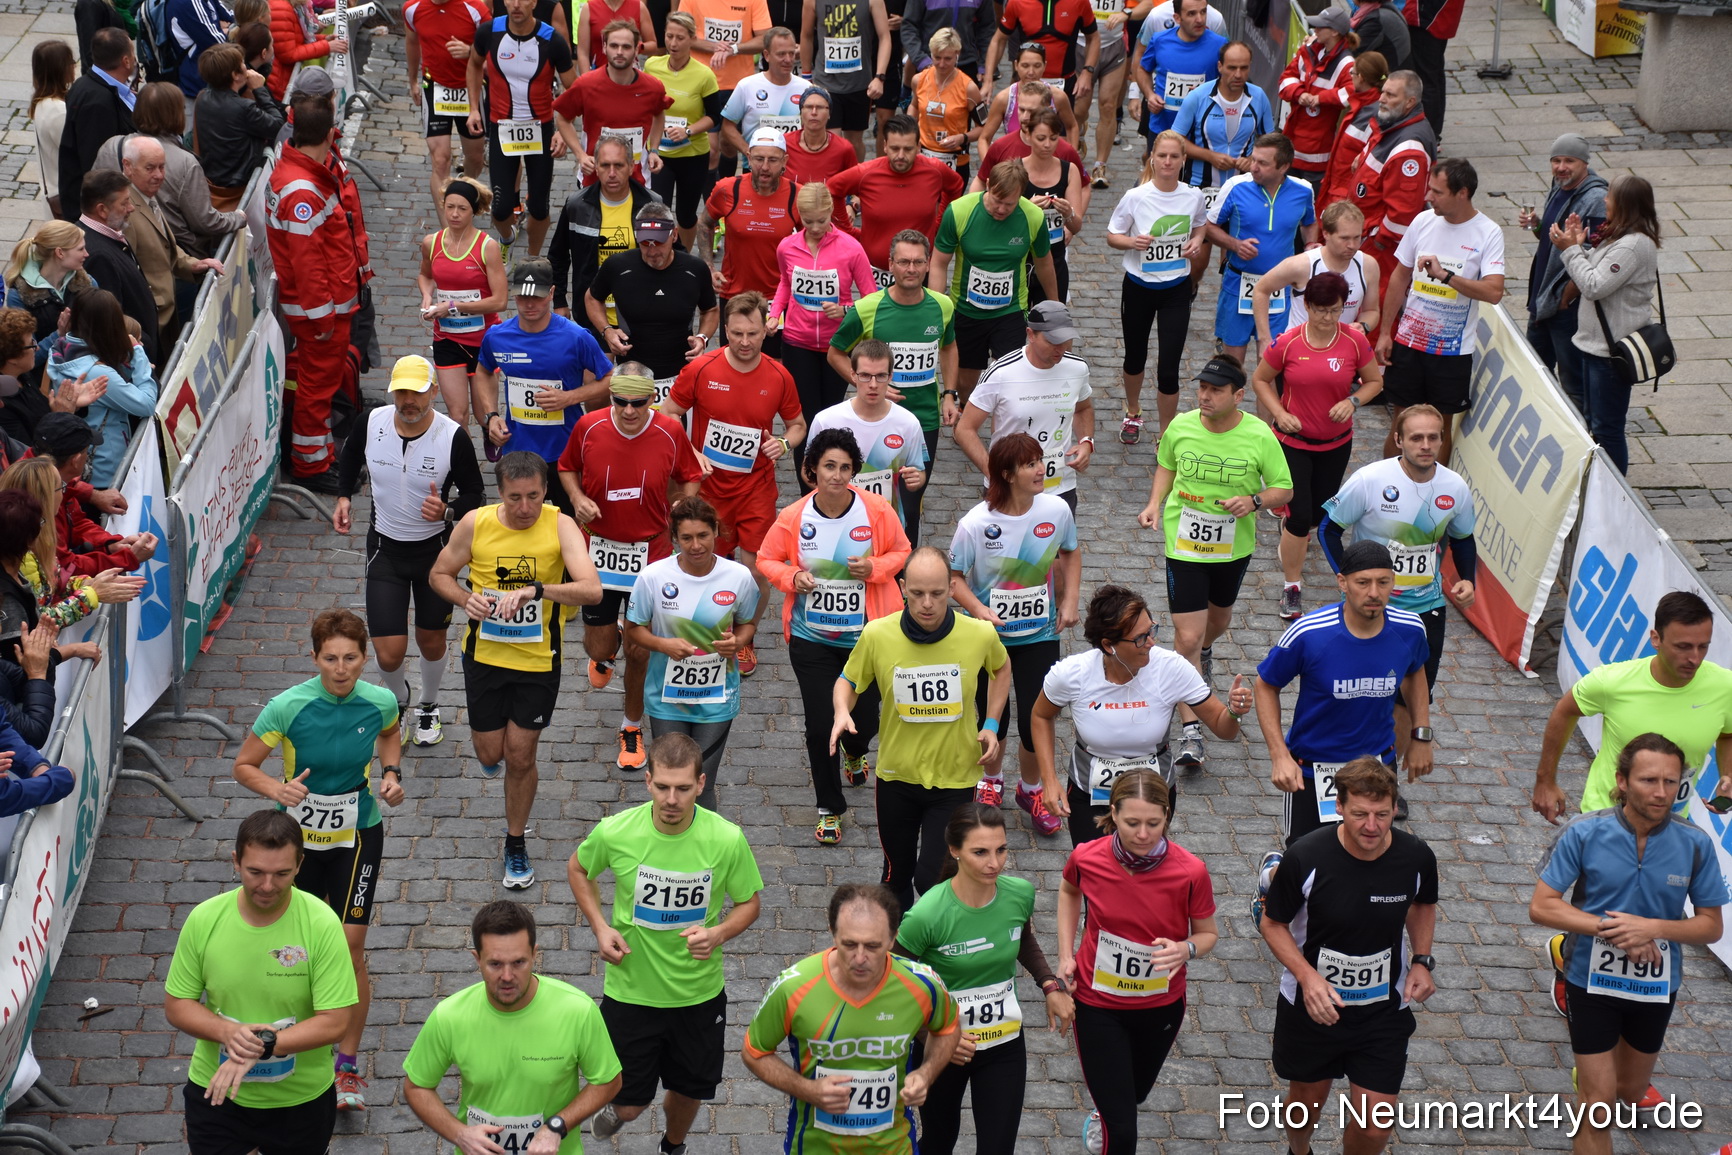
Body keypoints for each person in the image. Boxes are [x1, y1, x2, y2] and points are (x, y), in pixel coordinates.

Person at [229, 610, 401, 1113]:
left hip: (358, 828)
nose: (341, 669)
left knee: (349, 945)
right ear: (314, 657)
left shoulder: (381, 700)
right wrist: (276, 788)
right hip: (295, 839)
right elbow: (243, 766)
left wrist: (389, 773)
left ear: (365, 658)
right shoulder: (288, 706)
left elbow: (390, 734)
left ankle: (345, 1066)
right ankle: (298, 1040)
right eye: (331, 658)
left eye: (351, 658)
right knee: (294, 944)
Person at [1530, 733, 1728, 1155]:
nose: (1661, 793)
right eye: (1648, 780)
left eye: (1671, 783)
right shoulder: (1584, 832)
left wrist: (1653, 927)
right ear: (1622, 780)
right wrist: (1613, 930)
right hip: (1590, 979)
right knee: (1597, 1102)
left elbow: (1711, 926)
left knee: (1629, 1091)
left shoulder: (1694, 843)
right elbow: (1543, 907)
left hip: (1656, 985)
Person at [567, 731, 763, 1148]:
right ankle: (621, 1110)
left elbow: (749, 903)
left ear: (701, 784)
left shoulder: (727, 839)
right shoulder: (616, 832)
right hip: (631, 993)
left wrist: (718, 933)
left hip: (698, 994)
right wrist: (601, 927)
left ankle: (673, 1145)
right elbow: (579, 870)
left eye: (683, 789)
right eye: (663, 787)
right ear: (648, 781)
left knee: (690, 1089)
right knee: (630, 1104)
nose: (672, 799)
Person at [429, 451, 603, 888]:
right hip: (484, 658)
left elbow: (592, 590)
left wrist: (538, 590)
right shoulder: (475, 523)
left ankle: (515, 843)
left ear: (546, 491)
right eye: (514, 498)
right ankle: (495, 760)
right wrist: (462, 598)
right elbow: (439, 574)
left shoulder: (561, 524)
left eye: (533, 497)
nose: (524, 508)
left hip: (538, 661)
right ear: (499, 495)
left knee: (521, 756)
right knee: (492, 755)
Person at [1259, 757, 1439, 1155]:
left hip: (1381, 1011)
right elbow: (1272, 925)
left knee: (1375, 1128)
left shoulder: (1416, 857)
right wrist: (1308, 978)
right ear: (1338, 807)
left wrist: (1422, 960)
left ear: (1395, 807)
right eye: (1359, 814)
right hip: (1312, 1008)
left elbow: (1423, 904)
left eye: (1381, 814)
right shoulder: (1307, 857)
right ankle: (1298, 1151)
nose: (1371, 826)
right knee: (1304, 1108)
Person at [163, 810, 359, 1155]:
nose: (267, 886)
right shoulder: (205, 919)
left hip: (300, 1102)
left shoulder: (322, 924)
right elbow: (178, 1005)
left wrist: (264, 1045)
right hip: (217, 1093)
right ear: (236, 861)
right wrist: (228, 1034)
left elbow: (336, 1022)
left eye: (282, 873)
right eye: (255, 872)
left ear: (300, 865)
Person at [1136, 355, 1291, 768]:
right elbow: (1166, 465)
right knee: (1185, 637)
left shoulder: (1259, 435)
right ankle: (1191, 732)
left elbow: (1284, 488)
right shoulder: (1182, 427)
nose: (1205, 396)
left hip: (1232, 548)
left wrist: (1254, 500)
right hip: (1184, 542)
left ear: (1238, 396)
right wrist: (1155, 503)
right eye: (1202, 388)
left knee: (1216, 622)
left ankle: (1204, 650)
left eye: (1216, 390)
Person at [759, 427, 911, 843]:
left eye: (846, 468)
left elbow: (902, 550)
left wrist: (876, 569)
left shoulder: (877, 510)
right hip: (813, 641)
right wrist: (793, 576)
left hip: (869, 640)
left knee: (866, 717)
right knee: (819, 722)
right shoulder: (793, 517)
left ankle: (856, 750)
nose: (838, 475)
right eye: (829, 466)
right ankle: (829, 806)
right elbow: (766, 559)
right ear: (812, 471)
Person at [833, 546, 1008, 907]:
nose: (927, 603)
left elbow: (1002, 669)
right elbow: (847, 681)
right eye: (917, 593)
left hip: (956, 777)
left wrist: (991, 723)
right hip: (897, 776)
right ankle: (901, 954)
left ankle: (934, 948)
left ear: (952, 589)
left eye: (937, 593)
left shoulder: (979, 634)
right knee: (896, 875)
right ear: (901, 588)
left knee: (932, 877)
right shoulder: (877, 635)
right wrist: (840, 711)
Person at [896, 804, 1074, 1155]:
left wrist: (1049, 984)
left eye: (1001, 850)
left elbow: (1020, 937)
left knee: (998, 1147)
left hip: (1004, 1042)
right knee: (938, 1141)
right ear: (954, 850)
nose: (994, 863)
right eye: (980, 852)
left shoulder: (1019, 894)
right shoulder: (927, 914)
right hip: (944, 1050)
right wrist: (930, 1033)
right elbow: (894, 983)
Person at [1057, 770, 1217, 1155]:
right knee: (1122, 1131)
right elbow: (1068, 890)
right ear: (1113, 813)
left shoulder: (1190, 871)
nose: (1143, 834)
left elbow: (1207, 934)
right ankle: (1109, 1119)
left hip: (1160, 1004)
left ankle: (1110, 1109)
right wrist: (1066, 954)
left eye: (1153, 823)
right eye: (1132, 823)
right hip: (1097, 1003)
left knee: (1135, 1092)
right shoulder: (1087, 856)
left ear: (1167, 817)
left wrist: (1186, 950)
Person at [334, 355, 485, 745]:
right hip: (385, 550)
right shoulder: (372, 422)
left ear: (433, 391)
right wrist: (343, 498)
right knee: (388, 653)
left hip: (436, 555)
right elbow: (349, 459)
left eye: (417, 392)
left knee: (430, 641)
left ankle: (429, 706)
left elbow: (476, 495)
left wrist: (448, 510)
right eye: (401, 392)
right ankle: (398, 701)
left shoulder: (453, 437)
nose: (408, 401)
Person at [742, 883, 961, 1152]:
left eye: (872, 946)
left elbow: (948, 1028)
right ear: (833, 934)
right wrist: (807, 1090)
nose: (860, 958)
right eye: (849, 944)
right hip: (814, 1147)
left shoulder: (923, 984)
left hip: (893, 1147)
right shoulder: (793, 987)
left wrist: (926, 1075)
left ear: (893, 939)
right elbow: (754, 1052)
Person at [556, 367, 703, 764]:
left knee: (640, 653)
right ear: (612, 398)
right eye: (621, 401)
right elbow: (566, 466)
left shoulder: (671, 432)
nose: (629, 411)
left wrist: (681, 507)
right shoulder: (588, 426)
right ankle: (609, 643)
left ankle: (631, 726)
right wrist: (576, 498)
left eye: (639, 402)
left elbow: (690, 476)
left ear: (651, 400)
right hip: (599, 554)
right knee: (597, 645)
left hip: (650, 556)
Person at [1252, 540, 1433, 859]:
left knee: (1371, 854)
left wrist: (1421, 735)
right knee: (1304, 860)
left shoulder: (1410, 630)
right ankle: (1272, 881)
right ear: (1342, 582)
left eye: (1383, 582)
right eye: (1363, 583)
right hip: (1312, 769)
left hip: (1377, 765)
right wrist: (1280, 755)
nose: (1374, 593)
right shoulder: (1310, 634)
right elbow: (1266, 685)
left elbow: (1414, 672)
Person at [1032, 584, 1248, 844]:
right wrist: (1049, 779)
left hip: (1153, 797)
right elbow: (1041, 716)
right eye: (1141, 638)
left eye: (1151, 630)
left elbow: (1223, 727)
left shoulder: (1172, 668)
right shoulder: (1072, 674)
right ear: (1109, 645)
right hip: (1091, 794)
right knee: (1095, 877)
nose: (1152, 642)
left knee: (1144, 875)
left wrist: (1234, 712)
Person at [661, 292, 806, 676]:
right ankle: (708, 625)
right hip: (708, 487)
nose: (745, 342)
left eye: (753, 334)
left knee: (758, 568)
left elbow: (797, 425)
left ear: (765, 332)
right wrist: (691, 454)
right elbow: (667, 413)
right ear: (725, 330)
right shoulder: (702, 369)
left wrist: (784, 443)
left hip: (757, 486)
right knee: (708, 561)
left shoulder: (779, 376)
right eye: (737, 333)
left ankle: (745, 635)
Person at [402, 900, 624, 1152]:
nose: (507, 977)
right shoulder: (450, 1016)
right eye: (495, 964)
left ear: (534, 954)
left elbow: (609, 1081)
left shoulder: (577, 1011)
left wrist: (557, 1126)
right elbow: (417, 1086)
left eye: (518, 963)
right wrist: (460, 1134)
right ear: (477, 959)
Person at [947, 433, 1077, 835]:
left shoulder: (1056, 510)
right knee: (993, 719)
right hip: (991, 639)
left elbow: (1071, 551)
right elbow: (954, 579)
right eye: (1030, 464)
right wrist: (980, 611)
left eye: (1040, 460)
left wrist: (1070, 599)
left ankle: (1031, 788)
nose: (1041, 469)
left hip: (1039, 633)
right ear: (1007, 474)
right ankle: (990, 780)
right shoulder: (975, 523)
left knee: (1037, 714)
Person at [1532, 590, 1732, 826]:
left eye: (1703, 647)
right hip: (1605, 822)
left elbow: (1727, 734)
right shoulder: (1613, 681)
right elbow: (1565, 710)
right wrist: (1545, 780)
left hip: (1673, 824)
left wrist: (1727, 776)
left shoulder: (1724, 687)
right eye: (1683, 647)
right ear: (1656, 639)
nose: (1695, 659)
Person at [1251, 273, 1383, 620]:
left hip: (1335, 444)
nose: (1327, 318)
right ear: (1306, 306)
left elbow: (1374, 382)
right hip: (1293, 442)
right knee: (1299, 516)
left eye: (1335, 311)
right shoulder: (1290, 342)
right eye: (1321, 310)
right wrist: (1279, 412)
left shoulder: (1354, 342)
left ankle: (1293, 536)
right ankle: (1291, 586)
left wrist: (1353, 402)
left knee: (1319, 516)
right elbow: (1260, 379)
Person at [623, 498, 762, 809]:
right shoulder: (653, 577)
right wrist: (664, 645)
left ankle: (704, 856)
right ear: (674, 538)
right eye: (686, 538)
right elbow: (633, 630)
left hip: (717, 697)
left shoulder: (738, 577)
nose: (696, 545)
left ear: (716, 532)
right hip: (666, 699)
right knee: (670, 782)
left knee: (702, 783)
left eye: (703, 535)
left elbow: (748, 625)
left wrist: (738, 643)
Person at [825, 230, 958, 546]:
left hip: (922, 421)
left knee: (909, 504)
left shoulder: (943, 306)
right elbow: (836, 352)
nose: (910, 269)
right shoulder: (867, 308)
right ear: (891, 265)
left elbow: (949, 348)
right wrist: (869, 384)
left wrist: (950, 393)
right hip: (871, 421)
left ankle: (901, 580)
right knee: (867, 498)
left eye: (917, 262)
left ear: (928, 265)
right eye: (903, 262)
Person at [1375, 156, 1504, 463]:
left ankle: (1432, 494)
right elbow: (1399, 276)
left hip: (1451, 351)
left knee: (1438, 429)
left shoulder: (1488, 232)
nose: (1428, 197)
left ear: (1463, 193)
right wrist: (1384, 333)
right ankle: (1387, 490)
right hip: (1409, 343)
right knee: (1401, 422)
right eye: (1429, 189)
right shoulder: (1423, 221)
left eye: (1437, 192)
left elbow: (1494, 292)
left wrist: (1446, 276)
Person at [266, 101, 358, 493]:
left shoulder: (300, 177)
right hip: (321, 313)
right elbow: (308, 266)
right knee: (316, 389)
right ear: (329, 134)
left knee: (317, 386)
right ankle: (311, 466)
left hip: (323, 308)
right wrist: (323, 319)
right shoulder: (302, 191)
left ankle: (318, 455)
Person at [1553, 173, 1660, 477]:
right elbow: (1600, 272)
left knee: (1607, 427)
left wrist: (1570, 250)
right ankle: (1602, 484)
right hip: (1595, 346)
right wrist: (1579, 246)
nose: (1605, 200)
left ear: (1624, 204)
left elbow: (1594, 286)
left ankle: (1616, 494)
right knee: (1594, 420)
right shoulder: (1620, 239)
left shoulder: (1631, 246)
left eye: (1611, 196)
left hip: (1610, 354)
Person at [478, 257, 615, 495]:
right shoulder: (497, 336)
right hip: (517, 450)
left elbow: (611, 379)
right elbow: (484, 370)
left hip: (565, 450)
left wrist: (571, 397)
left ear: (552, 292)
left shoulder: (576, 337)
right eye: (523, 296)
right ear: (513, 294)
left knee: (570, 523)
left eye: (537, 297)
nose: (529, 304)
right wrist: (491, 415)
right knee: (522, 522)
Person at [771, 182, 875, 482]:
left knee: (829, 418)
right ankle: (808, 488)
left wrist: (844, 310)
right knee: (803, 419)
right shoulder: (787, 247)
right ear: (798, 215)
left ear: (831, 211)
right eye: (807, 221)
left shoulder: (851, 248)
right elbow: (785, 284)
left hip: (837, 348)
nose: (815, 227)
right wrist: (774, 314)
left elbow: (871, 300)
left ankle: (833, 479)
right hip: (796, 343)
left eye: (821, 220)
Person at [1105, 130, 1204, 444]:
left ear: (1184, 160)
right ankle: (1133, 412)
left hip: (1176, 289)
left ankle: (1166, 432)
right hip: (1139, 287)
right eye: (1162, 155)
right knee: (1135, 357)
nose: (1168, 161)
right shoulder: (1137, 196)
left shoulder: (1193, 196)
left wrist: (1197, 242)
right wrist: (1132, 241)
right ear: (1153, 158)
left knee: (1169, 365)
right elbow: (1112, 235)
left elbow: (1201, 225)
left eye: (1175, 156)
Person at [930, 160, 1058, 400]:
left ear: (1022, 195)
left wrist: (1055, 304)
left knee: (1009, 377)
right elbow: (938, 263)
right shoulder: (959, 211)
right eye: (996, 200)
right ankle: (966, 414)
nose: (1001, 209)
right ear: (987, 184)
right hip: (966, 310)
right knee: (966, 380)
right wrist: (938, 308)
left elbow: (1045, 263)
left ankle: (1004, 432)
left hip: (1010, 310)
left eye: (1009, 204)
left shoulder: (1033, 216)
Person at [954, 299, 1094, 517]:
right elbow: (964, 429)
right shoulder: (1002, 372)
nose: (1061, 348)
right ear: (1031, 334)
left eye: (1065, 341)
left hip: (1059, 487)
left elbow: (1083, 408)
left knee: (1058, 551)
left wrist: (1086, 442)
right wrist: (993, 474)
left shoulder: (1077, 368)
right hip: (1010, 489)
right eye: (1052, 341)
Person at [466, 0, 577, 258]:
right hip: (502, 127)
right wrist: (473, 108)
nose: (516, 4)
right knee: (500, 209)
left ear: (534, 2)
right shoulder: (488, 32)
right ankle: (507, 237)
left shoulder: (552, 40)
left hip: (540, 129)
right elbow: (473, 64)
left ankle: (532, 258)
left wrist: (563, 129)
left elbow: (574, 90)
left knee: (539, 207)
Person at [584, 204, 719, 401]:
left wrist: (702, 338)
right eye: (645, 243)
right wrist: (607, 331)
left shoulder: (694, 269)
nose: (652, 251)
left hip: (679, 374)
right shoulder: (617, 266)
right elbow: (592, 298)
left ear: (674, 235)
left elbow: (711, 310)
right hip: (632, 375)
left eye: (659, 242)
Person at [99, 79, 244, 262]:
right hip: (176, 262)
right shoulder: (185, 162)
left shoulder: (111, 145)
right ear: (175, 115)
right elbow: (205, 222)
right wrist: (238, 218)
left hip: (123, 255)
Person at [1204, 132, 1317, 366]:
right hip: (1239, 284)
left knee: (1271, 365)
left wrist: (1309, 246)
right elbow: (1207, 226)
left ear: (1284, 166)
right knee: (1231, 366)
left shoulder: (1303, 190)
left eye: (1263, 163)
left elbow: (1310, 222)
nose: (1253, 167)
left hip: (1279, 288)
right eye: (1253, 159)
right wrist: (1234, 244)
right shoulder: (1235, 186)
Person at [1520, 133, 1607, 412]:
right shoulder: (1559, 187)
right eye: (1556, 161)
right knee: (1534, 369)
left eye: (1569, 160)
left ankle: (1584, 438)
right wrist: (1537, 225)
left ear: (1584, 163)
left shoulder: (1596, 200)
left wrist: (1566, 296)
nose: (1560, 167)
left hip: (1565, 306)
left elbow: (1596, 255)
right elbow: (1554, 240)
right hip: (1543, 299)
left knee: (1573, 383)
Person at [807, 339, 928, 534]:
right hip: (837, 524)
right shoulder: (826, 420)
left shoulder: (908, 423)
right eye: (865, 376)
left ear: (890, 376)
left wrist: (916, 480)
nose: (873, 385)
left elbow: (919, 472)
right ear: (853, 375)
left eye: (880, 376)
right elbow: (808, 471)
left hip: (886, 525)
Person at [825, 114, 964, 284]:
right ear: (884, 146)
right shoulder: (866, 173)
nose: (900, 155)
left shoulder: (934, 170)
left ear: (919, 147)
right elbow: (832, 190)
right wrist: (847, 232)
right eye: (894, 148)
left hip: (919, 273)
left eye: (908, 149)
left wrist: (939, 227)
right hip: (875, 275)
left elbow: (956, 187)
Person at [416, 177, 508, 433]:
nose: (454, 214)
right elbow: (425, 275)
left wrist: (452, 306)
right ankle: (465, 470)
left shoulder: (487, 248)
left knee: (484, 415)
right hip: (447, 338)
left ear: (474, 211)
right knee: (457, 415)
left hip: (482, 340)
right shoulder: (431, 243)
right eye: (450, 207)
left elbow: (500, 301)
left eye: (462, 209)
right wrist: (426, 296)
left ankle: (493, 439)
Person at [550, 134, 664, 341]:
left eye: (618, 166)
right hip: (592, 314)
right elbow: (558, 255)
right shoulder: (577, 204)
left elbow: (674, 254)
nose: (612, 173)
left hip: (642, 312)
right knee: (595, 374)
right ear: (596, 167)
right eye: (605, 165)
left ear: (631, 167)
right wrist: (559, 302)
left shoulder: (652, 205)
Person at [114, 134, 226, 342]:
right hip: (150, 323)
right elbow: (128, 274)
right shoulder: (125, 210)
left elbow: (164, 245)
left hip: (164, 316)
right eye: (150, 168)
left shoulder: (145, 193)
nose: (159, 175)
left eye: (162, 167)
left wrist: (193, 264)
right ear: (127, 166)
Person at [44, 289, 158, 490]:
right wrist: (138, 353)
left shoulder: (61, 348)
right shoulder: (98, 374)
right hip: (106, 473)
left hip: (83, 466)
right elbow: (147, 404)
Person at [1348, 70, 1435, 297]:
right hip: (1368, 238)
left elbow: (1402, 212)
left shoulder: (1410, 150)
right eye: (1383, 92)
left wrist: (1377, 243)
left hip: (1381, 249)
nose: (1382, 99)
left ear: (1410, 102)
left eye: (1391, 95)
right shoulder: (1391, 125)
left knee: (1375, 302)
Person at [554, 19, 670, 184]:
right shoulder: (586, 84)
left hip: (637, 179)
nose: (620, 52)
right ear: (604, 47)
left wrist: (654, 150)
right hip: (594, 178)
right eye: (614, 46)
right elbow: (563, 119)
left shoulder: (653, 87)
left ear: (637, 49)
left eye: (626, 47)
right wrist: (580, 155)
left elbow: (659, 113)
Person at [1251, 200, 1380, 346]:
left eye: (1357, 237)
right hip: (1298, 351)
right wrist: (1264, 338)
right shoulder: (1301, 265)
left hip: (1339, 353)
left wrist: (1363, 326)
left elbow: (1371, 310)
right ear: (1326, 234)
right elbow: (1261, 289)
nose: (1352, 245)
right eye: (1344, 238)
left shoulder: (1368, 265)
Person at [646, 13, 724, 251]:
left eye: (680, 38)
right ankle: (660, 255)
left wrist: (688, 131)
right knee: (659, 210)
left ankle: (685, 257)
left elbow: (714, 116)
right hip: (661, 154)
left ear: (691, 39)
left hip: (693, 155)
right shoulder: (651, 66)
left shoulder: (704, 75)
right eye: (669, 36)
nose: (673, 43)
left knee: (687, 214)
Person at [402, 0, 491, 208]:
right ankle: (449, 223)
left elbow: (498, 51)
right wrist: (413, 81)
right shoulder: (412, 9)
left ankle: (466, 195)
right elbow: (412, 42)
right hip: (435, 88)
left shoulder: (476, 9)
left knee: (475, 157)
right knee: (441, 159)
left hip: (471, 90)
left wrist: (470, 51)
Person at [700, 129, 801, 308]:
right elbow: (704, 223)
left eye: (773, 160)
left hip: (779, 297)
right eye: (759, 159)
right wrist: (708, 266)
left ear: (785, 160)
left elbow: (816, 239)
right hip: (734, 294)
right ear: (748, 157)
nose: (765, 167)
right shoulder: (728, 189)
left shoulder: (797, 195)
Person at [1169, 40, 1275, 211]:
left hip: (1245, 185)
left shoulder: (1259, 97)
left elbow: (1270, 141)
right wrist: (1210, 156)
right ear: (1220, 67)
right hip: (1200, 184)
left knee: (1239, 236)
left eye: (1244, 68)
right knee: (1203, 237)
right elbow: (1175, 140)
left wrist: (1252, 160)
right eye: (1232, 68)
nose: (1238, 74)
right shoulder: (1197, 97)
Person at [994, 109, 1084, 307]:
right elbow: (997, 218)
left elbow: (1076, 226)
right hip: (1018, 260)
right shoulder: (1015, 170)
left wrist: (1068, 213)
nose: (1047, 145)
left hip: (1054, 261)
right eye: (1041, 138)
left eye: (1053, 138)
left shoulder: (1069, 171)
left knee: (1050, 328)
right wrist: (1026, 209)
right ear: (1028, 135)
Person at [679, 0, 776, 179]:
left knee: (728, 145)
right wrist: (715, 47)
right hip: (703, 82)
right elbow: (682, 32)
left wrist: (734, 48)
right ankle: (712, 200)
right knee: (711, 150)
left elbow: (765, 39)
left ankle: (727, 191)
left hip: (737, 84)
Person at [78, 168, 162, 367]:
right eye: (124, 203)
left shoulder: (110, 236)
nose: (131, 208)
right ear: (102, 210)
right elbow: (113, 322)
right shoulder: (98, 256)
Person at [191, 41, 288, 205]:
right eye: (242, 64)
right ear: (235, 75)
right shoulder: (244, 108)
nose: (246, 67)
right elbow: (277, 126)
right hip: (239, 189)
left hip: (214, 182)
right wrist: (259, 89)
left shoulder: (202, 98)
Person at [59, 28, 137, 224]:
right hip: (100, 211)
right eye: (133, 54)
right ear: (126, 61)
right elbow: (98, 162)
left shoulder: (88, 84)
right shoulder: (98, 102)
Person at [801, 0, 891, 158]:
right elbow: (806, 35)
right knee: (830, 140)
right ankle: (831, 181)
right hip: (825, 83)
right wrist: (806, 77)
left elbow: (884, 37)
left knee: (854, 142)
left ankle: (854, 178)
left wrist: (879, 77)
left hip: (859, 83)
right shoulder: (812, 1)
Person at [1277, 9, 1357, 184]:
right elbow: (1285, 79)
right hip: (1292, 145)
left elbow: (1351, 94)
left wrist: (1319, 98)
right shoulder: (1308, 51)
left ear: (1335, 32)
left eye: (1321, 26)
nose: (1315, 29)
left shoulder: (1346, 64)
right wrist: (1299, 94)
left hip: (1316, 157)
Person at [1132, 0, 1223, 140]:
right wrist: (1150, 95)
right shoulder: (1159, 40)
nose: (1200, 19)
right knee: (1153, 160)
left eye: (1203, 12)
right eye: (1191, 14)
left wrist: (1208, 93)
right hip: (1163, 128)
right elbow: (1143, 69)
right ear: (1177, 18)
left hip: (1202, 132)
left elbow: (1228, 79)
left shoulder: (1220, 43)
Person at [983, 0, 1098, 111]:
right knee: (1023, 129)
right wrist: (988, 80)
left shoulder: (1079, 2)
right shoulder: (1017, 2)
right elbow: (998, 40)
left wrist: (1087, 72)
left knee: (1065, 128)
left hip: (1064, 84)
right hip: (1027, 83)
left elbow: (1093, 38)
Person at [976, 47, 1080, 155]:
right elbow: (984, 139)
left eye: (1037, 66)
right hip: (1016, 165)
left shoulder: (1058, 97)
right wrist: (990, 169)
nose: (1031, 72)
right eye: (1025, 66)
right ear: (1016, 65)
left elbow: (1072, 126)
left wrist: (1072, 158)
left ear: (1045, 66)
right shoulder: (1004, 99)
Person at [1318, 51, 1388, 211]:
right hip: (1337, 191)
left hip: (1345, 197)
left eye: (1353, 72)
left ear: (1361, 77)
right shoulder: (1362, 104)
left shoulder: (1374, 114)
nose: (1350, 76)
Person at [719, 27, 807, 155]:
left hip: (793, 166)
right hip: (756, 168)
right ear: (767, 55)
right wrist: (748, 151)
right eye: (781, 54)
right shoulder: (747, 85)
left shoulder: (805, 88)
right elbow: (727, 127)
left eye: (791, 53)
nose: (788, 60)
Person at [911, 28, 983, 179]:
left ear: (957, 55)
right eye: (937, 57)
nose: (942, 64)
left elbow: (984, 127)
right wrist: (911, 133)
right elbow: (914, 106)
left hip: (955, 160)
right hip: (923, 157)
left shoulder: (969, 88)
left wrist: (962, 138)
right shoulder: (919, 80)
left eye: (948, 59)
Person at [268, 0, 348, 102]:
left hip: (281, 80)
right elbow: (288, 54)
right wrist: (326, 46)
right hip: (277, 83)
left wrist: (324, 39)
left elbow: (298, 39)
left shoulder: (293, 6)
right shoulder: (281, 10)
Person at [1403, 0, 1462, 137]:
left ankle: (1429, 134)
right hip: (1436, 16)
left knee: (1426, 80)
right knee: (1434, 75)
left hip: (1426, 16)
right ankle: (1433, 132)